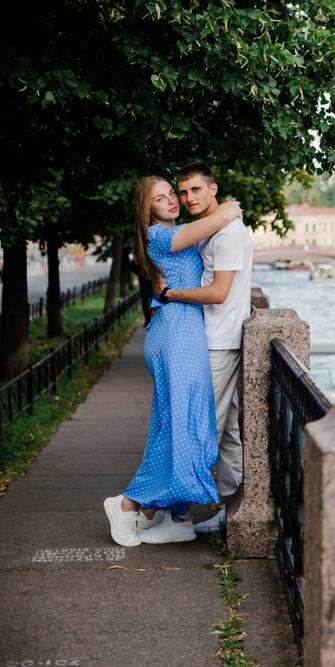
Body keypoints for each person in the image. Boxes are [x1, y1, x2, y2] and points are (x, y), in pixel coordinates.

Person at [103, 176, 243, 547]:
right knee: (184, 427)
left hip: (180, 332)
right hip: (176, 334)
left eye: (172, 195)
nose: (171, 202)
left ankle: (161, 513)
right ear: (146, 208)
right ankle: (129, 503)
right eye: (161, 198)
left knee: (178, 426)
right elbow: (214, 222)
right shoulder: (159, 236)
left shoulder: (178, 231)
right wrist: (229, 207)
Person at [151, 163, 253, 535]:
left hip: (219, 342)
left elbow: (218, 292)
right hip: (208, 340)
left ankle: (177, 516)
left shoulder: (225, 234)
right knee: (223, 431)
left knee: (201, 430)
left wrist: (170, 295)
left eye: (196, 190)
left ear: (212, 189)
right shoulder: (210, 229)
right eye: (183, 192)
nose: (188, 198)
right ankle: (231, 509)